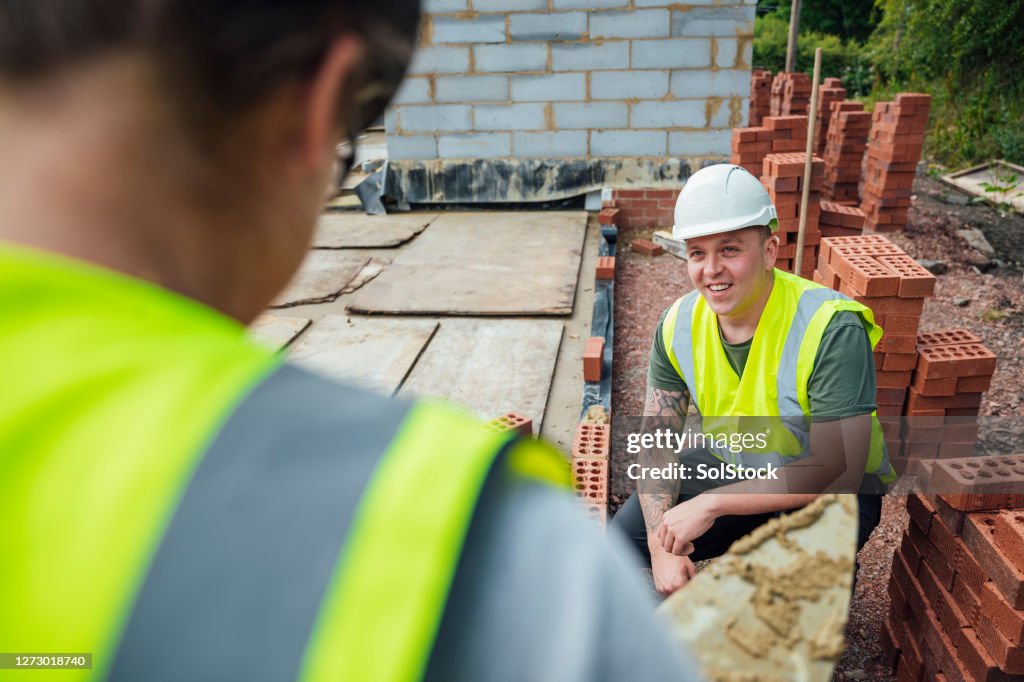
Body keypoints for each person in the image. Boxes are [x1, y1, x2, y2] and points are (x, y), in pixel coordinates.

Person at [0, 3, 697, 680]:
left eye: (729, 253)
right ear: (316, 101)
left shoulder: (807, 321)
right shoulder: (498, 559)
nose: (710, 272)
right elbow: (670, 444)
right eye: (343, 148)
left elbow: (792, 451)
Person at [611, 164, 895, 596]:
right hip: (736, 464)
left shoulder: (829, 326)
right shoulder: (677, 325)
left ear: (769, 250)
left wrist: (712, 504)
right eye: (697, 253)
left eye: (729, 250)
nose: (711, 270)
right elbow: (656, 443)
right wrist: (660, 544)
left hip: (832, 492)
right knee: (623, 539)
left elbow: (837, 466)